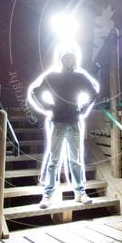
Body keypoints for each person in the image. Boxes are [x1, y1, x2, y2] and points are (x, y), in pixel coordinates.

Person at [27, 49, 98, 209]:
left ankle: (80, 193)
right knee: (54, 161)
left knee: (75, 161)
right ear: (61, 60)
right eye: (66, 58)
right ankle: (48, 196)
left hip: (73, 121)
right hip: (57, 121)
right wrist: (47, 107)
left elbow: (93, 93)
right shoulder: (53, 77)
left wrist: (82, 109)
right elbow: (35, 92)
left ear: (74, 60)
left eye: (71, 58)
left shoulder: (79, 77)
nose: (68, 61)